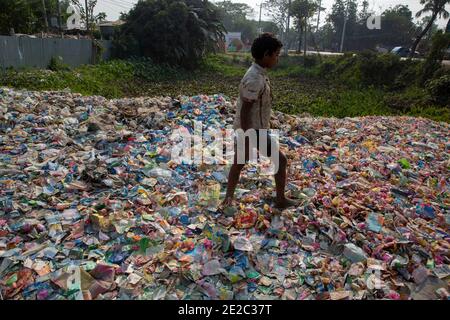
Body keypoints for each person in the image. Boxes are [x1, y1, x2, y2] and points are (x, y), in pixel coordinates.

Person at [222, 33, 298, 210]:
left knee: (240, 162)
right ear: (266, 55)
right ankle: (279, 200)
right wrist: (248, 136)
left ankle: (229, 198)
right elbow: (245, 109)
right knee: (280, 161)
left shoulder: (259, 73)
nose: (277, 59)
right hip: (252, 130)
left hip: (256, 128)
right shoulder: (255, 78)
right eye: (276, 55)